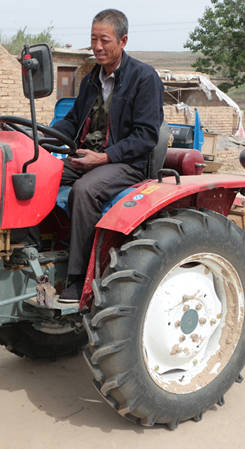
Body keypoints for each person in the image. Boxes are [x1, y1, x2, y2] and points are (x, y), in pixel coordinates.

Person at [52, 9, 164, 300]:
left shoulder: (144, 78)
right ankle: (37, 250)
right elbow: (74, 120)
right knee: (35, 175)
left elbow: (146, 136)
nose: (97, 47)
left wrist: (103, 157)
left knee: (85, 190)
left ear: (123, 40)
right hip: (86, 156)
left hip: (126, 163)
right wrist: (46, 135)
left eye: (105, 40)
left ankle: (78, 279)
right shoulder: (91, 79)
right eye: (93, 39)